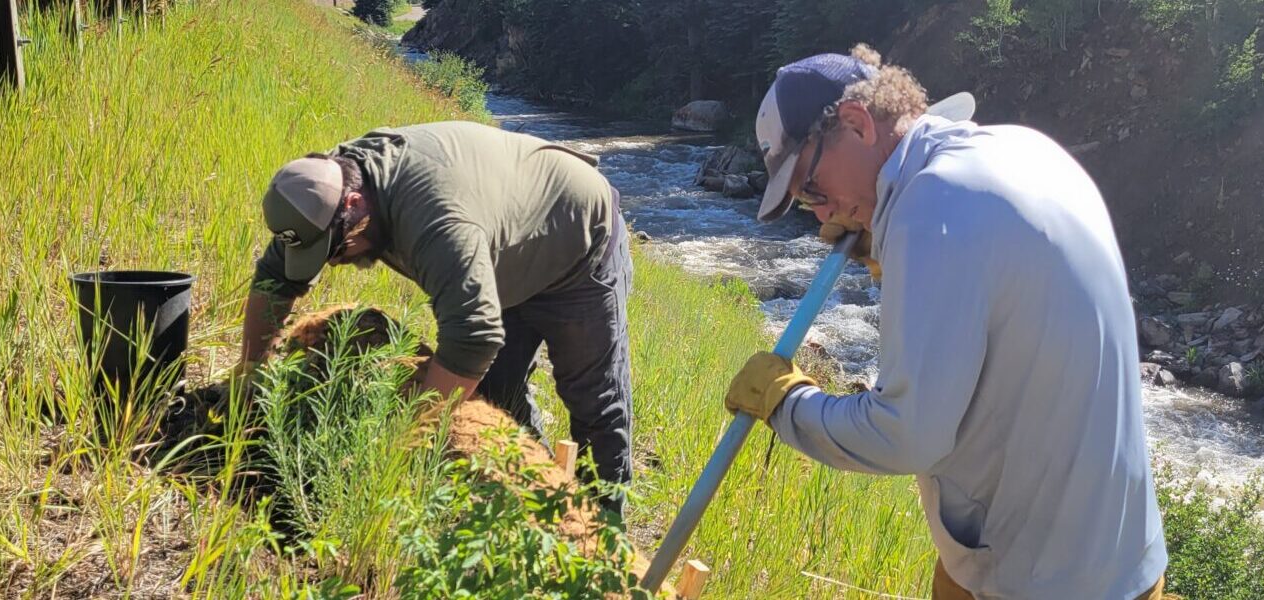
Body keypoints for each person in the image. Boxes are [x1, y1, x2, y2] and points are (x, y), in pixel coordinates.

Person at [724, 45, 1167, 599]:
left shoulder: (933, 208)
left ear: (858, 125)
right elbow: (1002, 309)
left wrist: (787, 405)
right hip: (1121, 558)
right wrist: (890, 255)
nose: (820, 213)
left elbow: (904, 434)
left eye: (810, 189)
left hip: (1036, 579)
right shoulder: (1018, 148)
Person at [240, 121, 633, 513]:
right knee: (496, 398)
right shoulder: (315, 194)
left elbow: (473, 337)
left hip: (578, 245)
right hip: (498, 251)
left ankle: (605, 539)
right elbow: (276, 280)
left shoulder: (435, 218)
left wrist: (406, 444)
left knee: (594, 404)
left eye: (336, 248)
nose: (335, 262)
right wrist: (250, 371)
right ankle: (541, 509)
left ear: (353, 204)